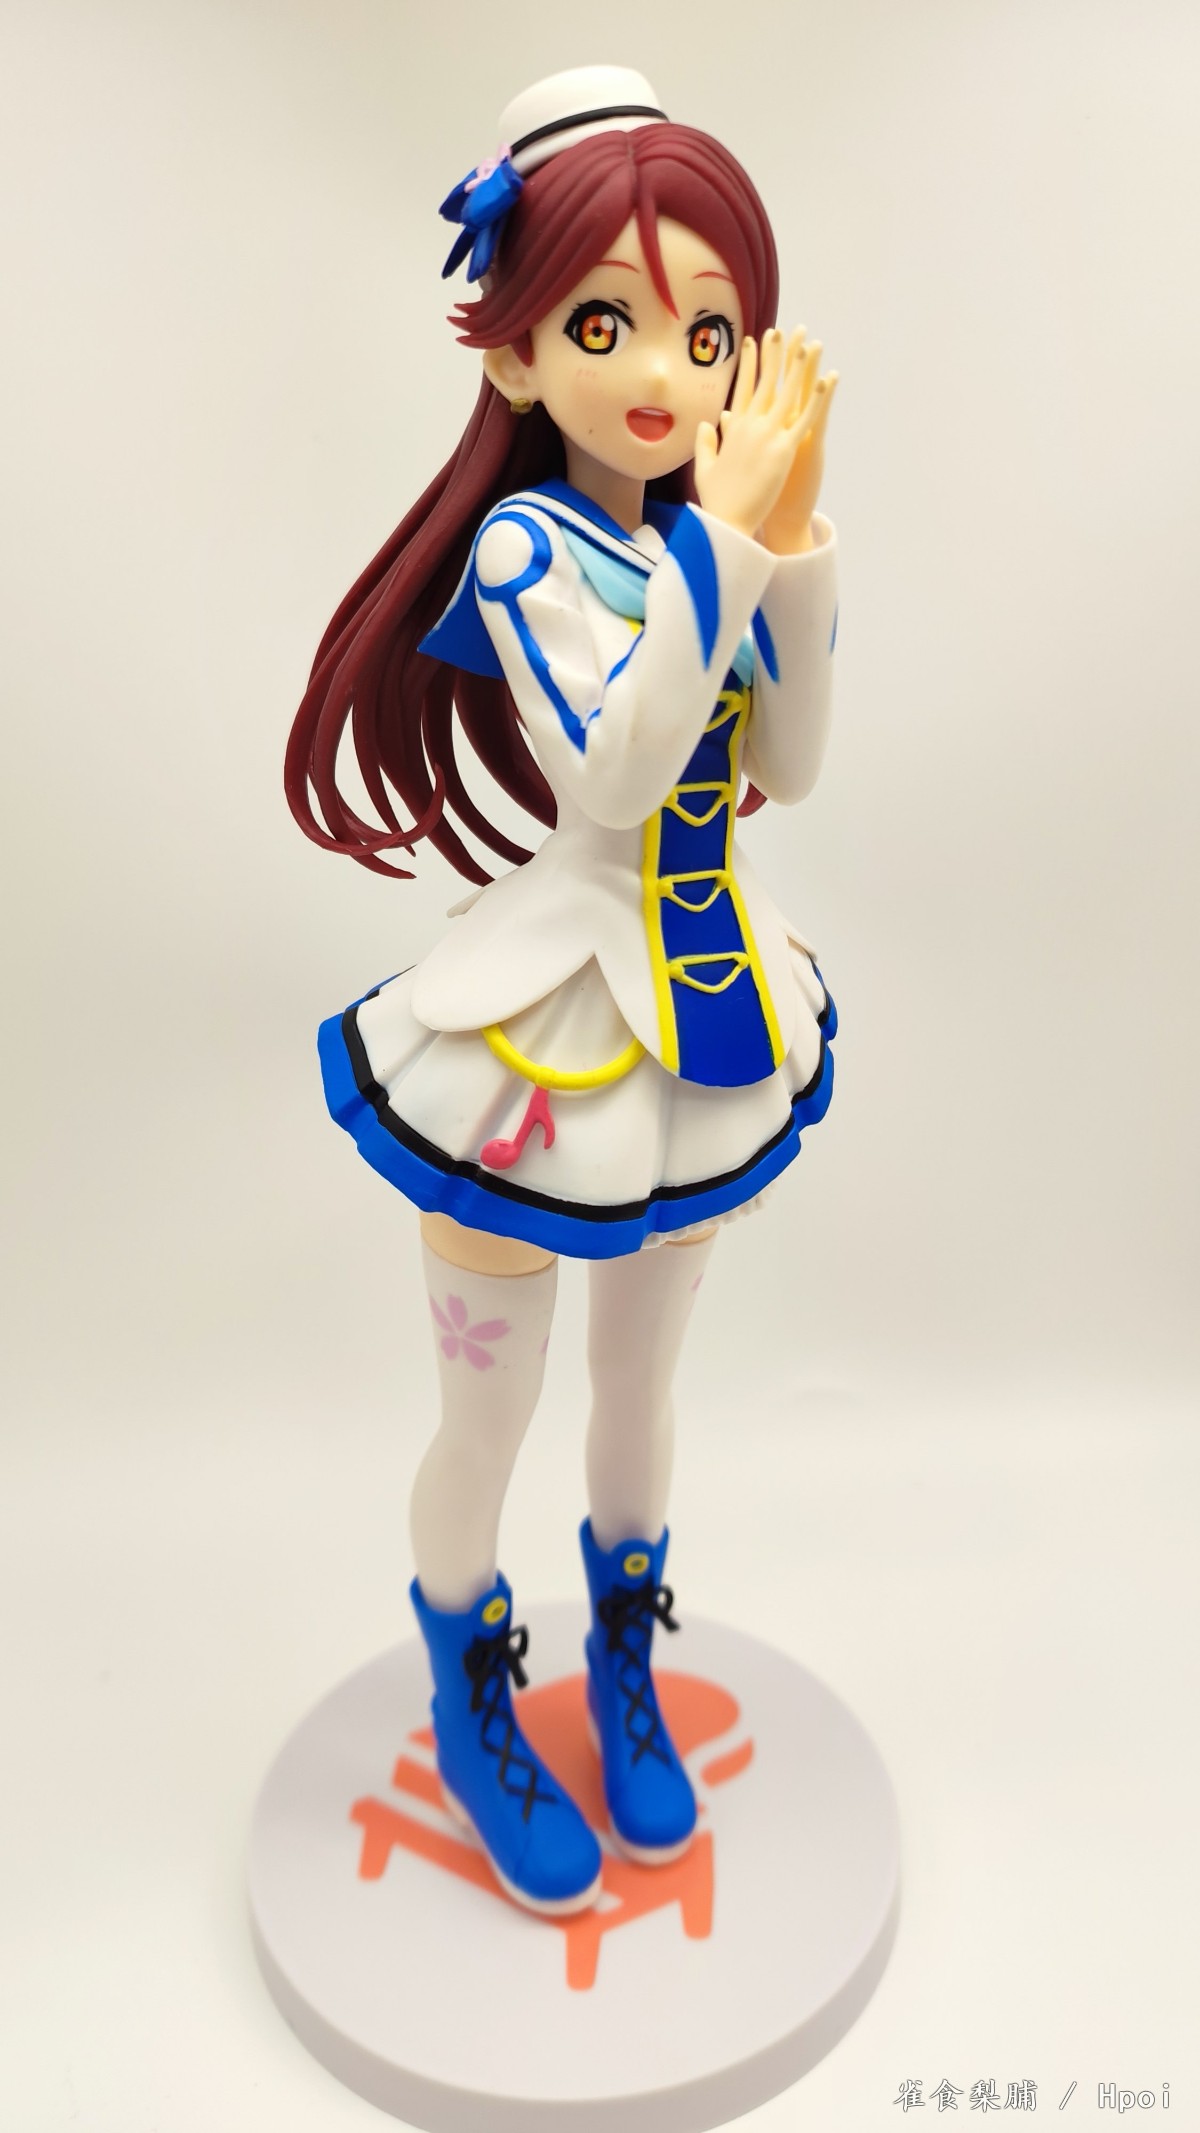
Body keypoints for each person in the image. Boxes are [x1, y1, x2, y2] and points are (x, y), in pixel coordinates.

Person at [286, 65, 839, 1917]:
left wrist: (795, 547)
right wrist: (732, 549)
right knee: (490, 1411)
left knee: (640, 1389)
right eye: (604, 324)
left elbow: (790, 769)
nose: (661, 370)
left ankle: (620, 1649)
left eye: (706, 328)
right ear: (519, 353)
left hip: (706, 1010)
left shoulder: (715, 534)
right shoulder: (531, 547)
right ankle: (470, 1686)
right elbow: (612, 772)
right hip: (544, 1032)